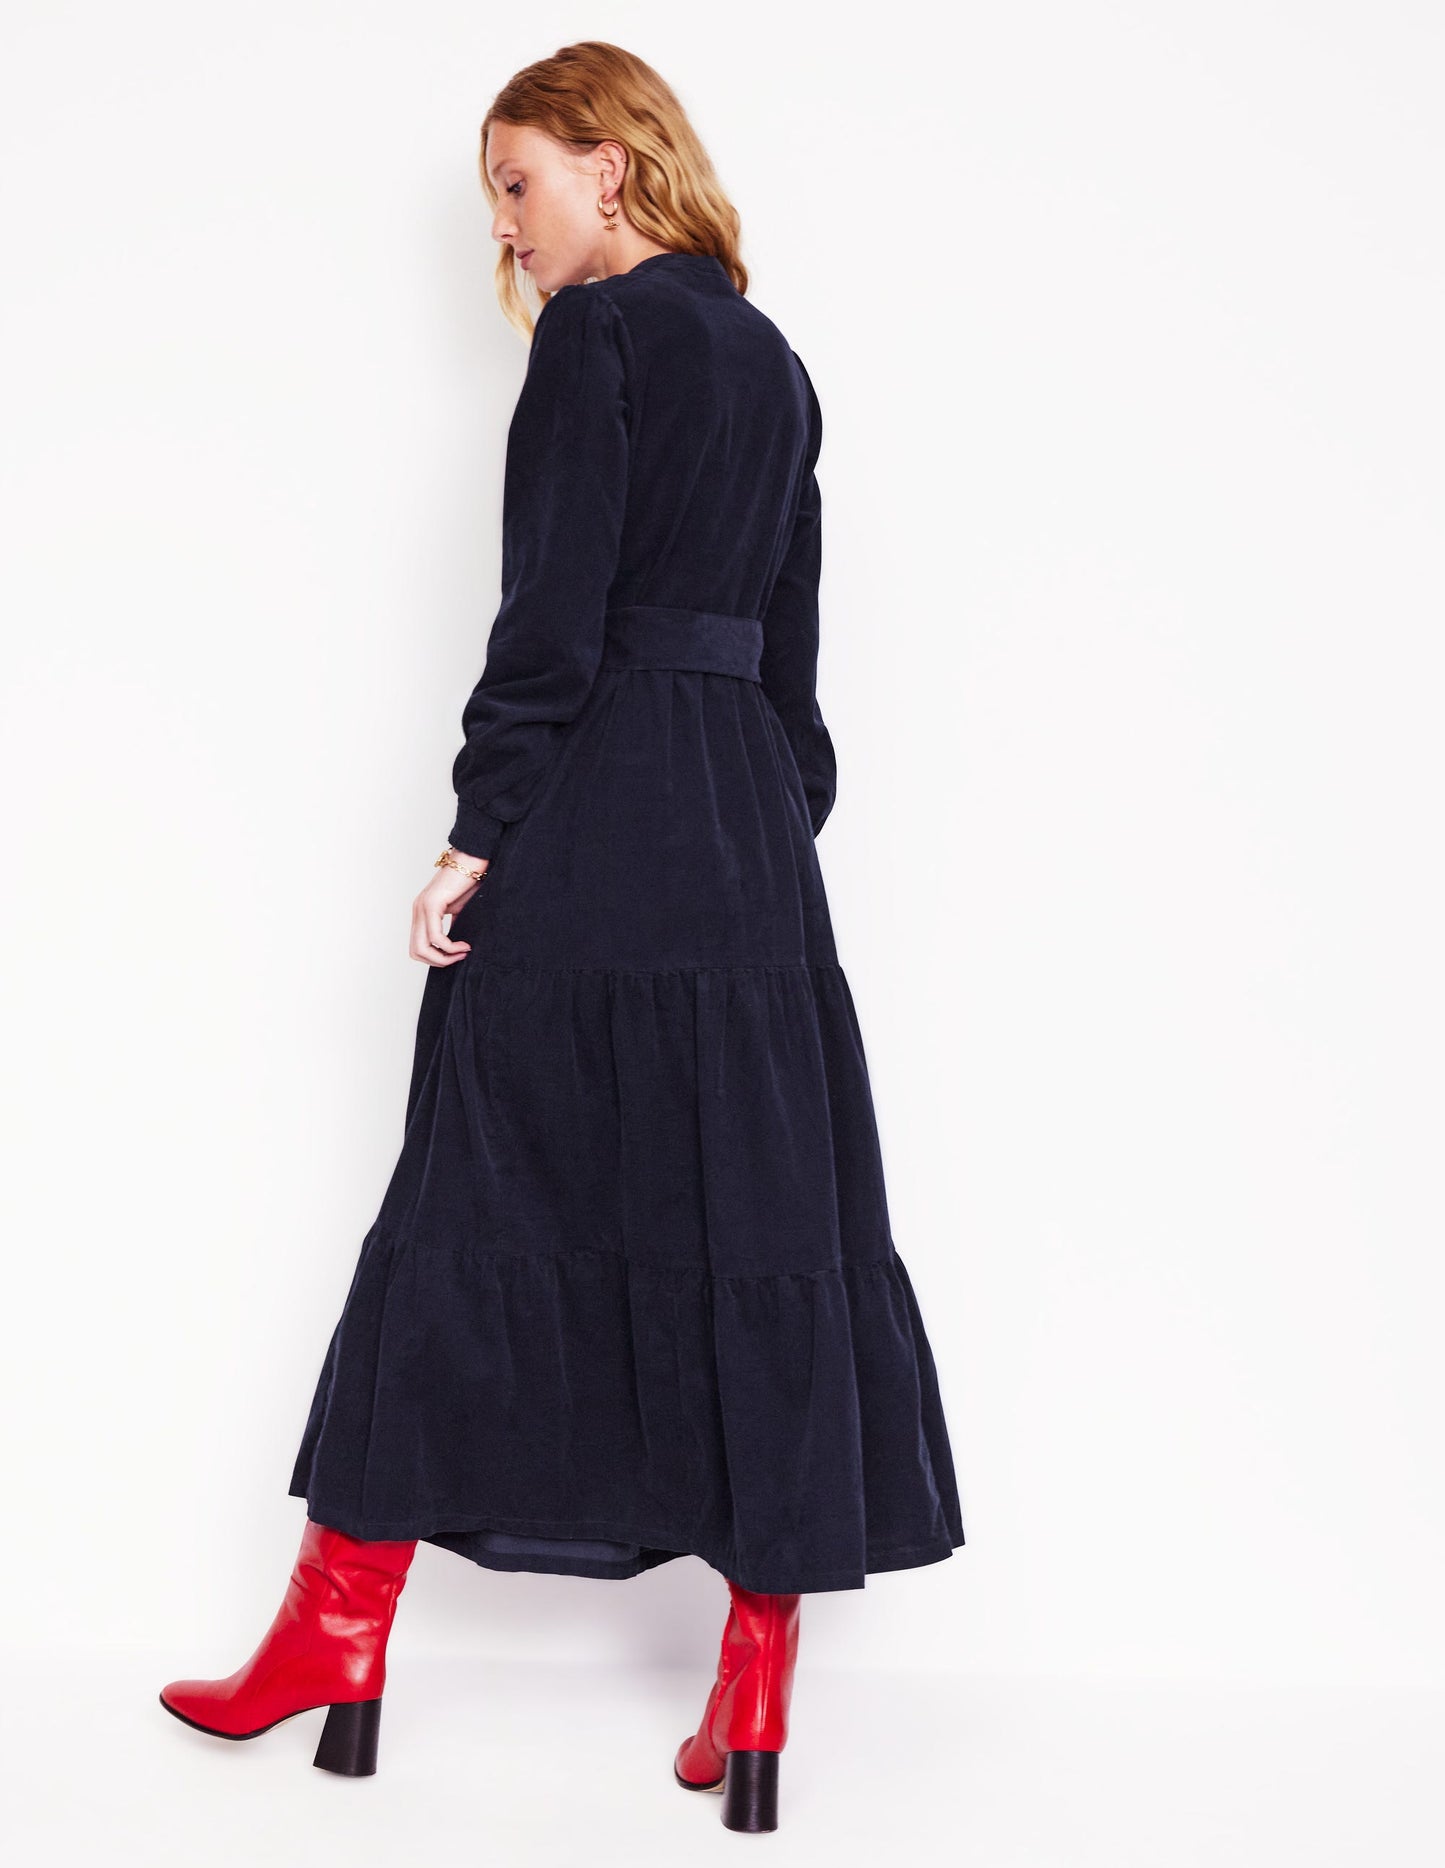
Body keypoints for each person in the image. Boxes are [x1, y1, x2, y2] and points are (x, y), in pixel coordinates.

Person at [158, 40, 965, 1831]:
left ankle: (332, 1638)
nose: (506, 233)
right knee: (759, 1224)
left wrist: (479, 829)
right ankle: (754, 1689)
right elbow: (792, 658)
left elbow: (552, 619)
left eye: (517, 184)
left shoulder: (599, 338)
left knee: (472, 1199)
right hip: (747, 848)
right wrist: (761, 815)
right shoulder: (771, 361)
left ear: (612, 163)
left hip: (600, 814)